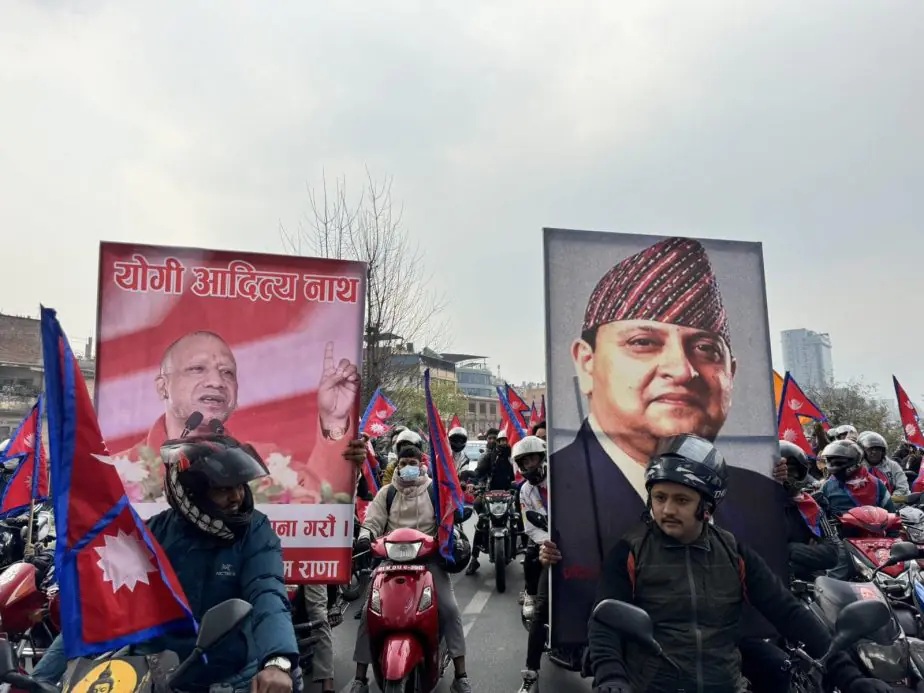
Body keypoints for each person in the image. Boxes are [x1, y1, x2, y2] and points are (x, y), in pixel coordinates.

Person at [550, 235, 787, 645]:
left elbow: (784, 604)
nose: (681, 369)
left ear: (731, 373)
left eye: (706, 348)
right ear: (587, 363)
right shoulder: (559, 487)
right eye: (643, 342)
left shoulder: (758, 495)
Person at [35, 431, 367, 692]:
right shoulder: (153, 535)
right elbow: (98, 606)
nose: (237, 497)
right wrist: (39, 678)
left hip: (231, 677)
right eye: (223, 489)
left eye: (239, 486)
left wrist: (278, 661)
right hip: (150, 676)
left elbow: (267, 593)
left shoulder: (255, 531)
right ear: (190, 493)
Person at [586, 433, 889, 693]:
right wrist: (611, 675)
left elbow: (790, 614)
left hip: (725, 685)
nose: (666, 510)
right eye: (660, 497)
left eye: (681, 500)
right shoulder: (631, 551)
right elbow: (605, 621)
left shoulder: (734, 553)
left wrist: (850, 677)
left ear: (706, 506)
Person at [113, 333, 360, 504]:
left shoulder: (266, 464)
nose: (216, 382)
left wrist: (334, 420)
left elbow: (325, 508)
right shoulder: (120, 473)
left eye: (227, 373)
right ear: (162, 387)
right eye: (197, 369)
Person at [348, 446, 471, 693]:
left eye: (412, 462)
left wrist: (448, 530)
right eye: (403, 463)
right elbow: (372, 521)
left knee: (449, 609)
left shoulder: (434, 491)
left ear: (421, 464)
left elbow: (448, 519)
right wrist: (364, 537)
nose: (407, 467)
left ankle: (461, 675)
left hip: (429, 563)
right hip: (390, 562)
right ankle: (360, 678)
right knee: (368, 613)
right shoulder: (387, 493)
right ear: (397, 465)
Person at [512, 436, 549, 693]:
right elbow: (530, 526)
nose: (529, 465)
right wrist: (549, 543)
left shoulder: (563, 478)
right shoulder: (525, 490)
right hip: (548, 548)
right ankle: (531, 671)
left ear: (542, 458)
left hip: (578, 545)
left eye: (532, 459)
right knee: (541, 610)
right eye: (524, 462)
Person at [468, 428, 517, 576]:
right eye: (499, 441)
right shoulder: (489, 456)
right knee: (482, 520)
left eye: (504, 440)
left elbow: (520, 473)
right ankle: (474, 559)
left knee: (517, 517)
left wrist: (519, 484)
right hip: (490, 494)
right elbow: (479, 472)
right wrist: (469, 480)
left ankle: (527, 551)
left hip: (509, 494)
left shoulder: (514, 456)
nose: (501, 443)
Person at [858, 430, 909, 495]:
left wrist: (890, 499)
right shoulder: (858, 467)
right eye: (870, 449)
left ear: (883, 451)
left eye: (877, 449)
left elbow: (903, 487)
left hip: (893, 499)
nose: (874, 452)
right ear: (863, 451)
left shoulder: (893, 466)